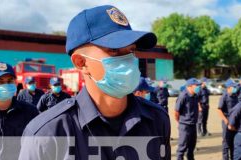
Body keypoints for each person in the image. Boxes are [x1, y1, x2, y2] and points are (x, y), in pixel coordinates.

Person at [18, 5, 170, 160]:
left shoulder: (157, 119)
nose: (129, 60)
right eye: (114, 50)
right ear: (81, 62)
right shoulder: (46, 135)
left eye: (131, 50)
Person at [0, 62, 39, 159]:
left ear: (15, 83)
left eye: (9, 81)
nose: (6, 85)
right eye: (0, 82)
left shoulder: (30, 112)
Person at [175, 78, 201, 160]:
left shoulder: (195, 96)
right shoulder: (183, 96)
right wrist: (180, 122)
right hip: (185, 126)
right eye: (196, 85)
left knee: (191, 148)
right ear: (190, 86)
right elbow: (176, 112)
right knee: (182, 148)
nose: (198, 87)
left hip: (193, 125)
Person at [217, 78, 239, 160]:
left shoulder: (235, 96)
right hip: (227, 122)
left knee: (233, 142)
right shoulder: (224, 97)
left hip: (234, 122)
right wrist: (226, 121)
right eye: (233, 87)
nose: (235, 88)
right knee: (226, 142)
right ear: (229, 87)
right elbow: (219, 110)